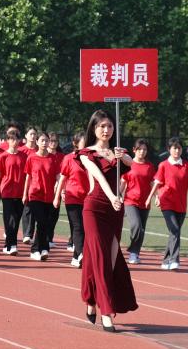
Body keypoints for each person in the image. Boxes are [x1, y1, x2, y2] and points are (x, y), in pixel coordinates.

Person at [78, 109, 138, 332]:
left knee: (106, 262)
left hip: (115, 211)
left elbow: (134, 167)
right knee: (101, 259)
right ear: (94, 128)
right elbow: (99, 177)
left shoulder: (118, 153)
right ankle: (106, 311)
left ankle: (91, 298)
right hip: (95, 209)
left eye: (110, 126)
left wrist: (124, 157)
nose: (106, 130)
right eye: (102, 126)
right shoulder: (86, 153)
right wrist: (113, 196)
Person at [144, 137, 188, 271]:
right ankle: (174, 260)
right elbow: (157, 183)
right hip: (166, 202)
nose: (177, 151)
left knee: (174, 233)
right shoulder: (163, 165)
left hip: (181, 204)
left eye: (179, 148)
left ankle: (166, 260)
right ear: (169, 149)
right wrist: (150, 197)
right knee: (175, 230)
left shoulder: (186, 165)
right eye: (174, 148)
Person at [22, 133, 59, 261]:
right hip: (35, 195)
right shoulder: (31, 158)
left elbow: (58, 176)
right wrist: (25, 194)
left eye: (46, 141)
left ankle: (43, 248)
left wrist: (60, 190)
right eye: (42, 140)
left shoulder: (53, 159)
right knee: (41, 221)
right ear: (37, 142)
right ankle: (35, 250)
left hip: (49, 196)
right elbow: (28, 177)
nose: (44, 143)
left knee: (46, 223)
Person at [54, 132, 87, 268]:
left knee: (84, 228)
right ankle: (81, 254)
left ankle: (75, 257)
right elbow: (62, 178)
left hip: (88, 198)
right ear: (75, 143)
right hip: (72, 197)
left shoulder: (91, 159)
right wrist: (57, 197)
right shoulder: (68, 158)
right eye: (84, 141)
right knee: (78, 226)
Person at [121, 139, 156, 265]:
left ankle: (135, 253)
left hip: (145, 202)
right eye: (139, 149)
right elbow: (123, 182)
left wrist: (157, 197)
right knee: (136, 226)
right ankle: (133, 251)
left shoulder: (150, 166)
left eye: (144, 149)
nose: (142, 152)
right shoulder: (129, 164)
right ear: (134, 150)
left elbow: (152, 183)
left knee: (141, 229)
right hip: (130, 201)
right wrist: (118, 195)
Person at [0, 128, 27, 255]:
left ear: (19, 141)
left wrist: (26, 191)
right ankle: (11, 245)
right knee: (10, 219)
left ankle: (9, 244)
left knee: (17, 219)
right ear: (7, 141)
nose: (14, 141)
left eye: (16, 139)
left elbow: (27, 176)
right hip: (7, 191)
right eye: (11, 139)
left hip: (20, 192)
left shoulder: (24, 156)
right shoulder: (3, 156)